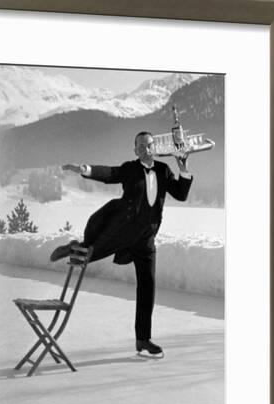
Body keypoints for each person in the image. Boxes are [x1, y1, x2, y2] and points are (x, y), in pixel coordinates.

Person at [50, 131, 193, 357]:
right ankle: (74, 247)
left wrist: (183, 168)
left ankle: (143, 340)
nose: (146, 150)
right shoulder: (130, 169)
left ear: (154, 147)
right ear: (135, 150)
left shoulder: (164, 170)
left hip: (146, 238)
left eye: (149, 145)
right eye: (141, 146)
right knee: (91, 252)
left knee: (148, 287)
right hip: (123, 230)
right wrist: (85, 170)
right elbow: (110, 173)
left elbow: (181, 194)